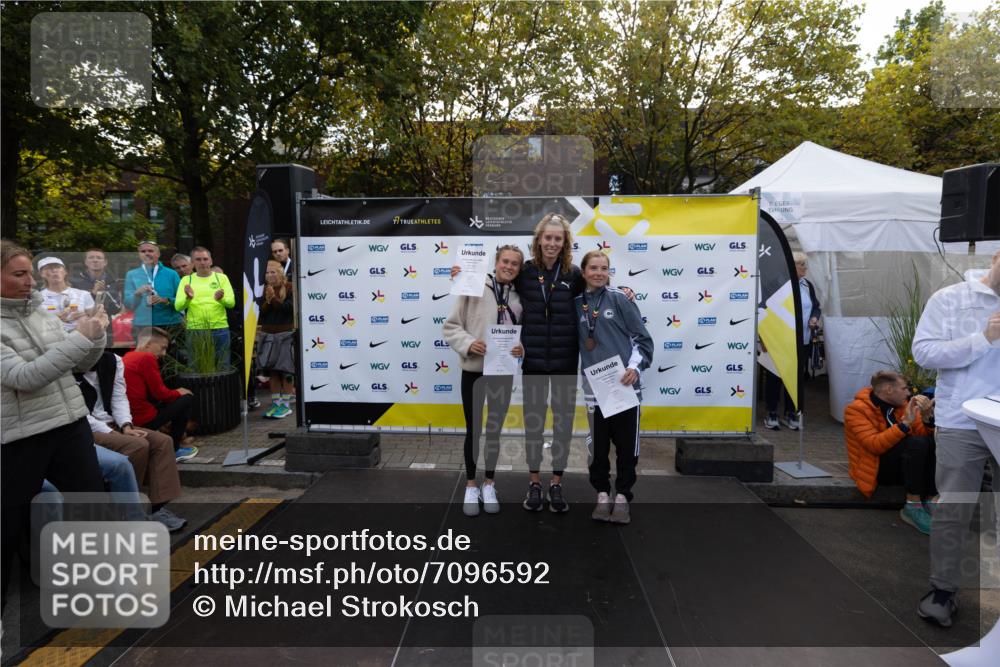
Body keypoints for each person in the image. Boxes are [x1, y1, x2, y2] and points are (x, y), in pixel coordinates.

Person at [1, 239, 108, 605]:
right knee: (8, 526)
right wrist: (80, 338)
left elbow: (78, 363)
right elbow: (26, 377)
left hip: (69, 424)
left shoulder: (38, 310)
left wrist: (95, 332)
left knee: (92, 507)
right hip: (21, 437)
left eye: (29, 272)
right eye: (19, 274)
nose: (30, 281)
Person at [913, 249, 1000, 628]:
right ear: (997, 257)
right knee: (955, 508)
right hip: (963, 420)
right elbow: (924, 353)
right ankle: (943, 591)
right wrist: (985, 337)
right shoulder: (951, 298)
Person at [443, 245, 525, 516]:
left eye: (515, 263)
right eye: (505, 261)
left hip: (501, 371)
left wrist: (521, 347)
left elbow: (524, 330)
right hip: (474, 371)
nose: (509, 266)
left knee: (494, 430)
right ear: (496, 262)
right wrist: (468, 344)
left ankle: (489, 483)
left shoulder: (520, 294)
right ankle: (470, 484)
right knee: (474, 429)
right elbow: (451, 326)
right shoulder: (473, 285)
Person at [575, 251, 653, 525]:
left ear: (609, 272)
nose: (598, 272)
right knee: (597, 447)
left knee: (626, 446)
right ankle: (601, 494)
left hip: (624, 387)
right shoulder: (576, 303)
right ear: (583, 272)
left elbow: (642, 339)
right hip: (595, 389)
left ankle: (622, 496)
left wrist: (634, 368)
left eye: (604, 268)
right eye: (593, 268)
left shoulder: (620, 299)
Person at [77, 350, 186, 531]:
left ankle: (157, 507)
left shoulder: (113, 361)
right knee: (137, 445)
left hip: (113, 422)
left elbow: (119, 397)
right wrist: (115, 433)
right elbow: (80, 415)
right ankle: (128, 509)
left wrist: (126, 425)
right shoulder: (67, 367)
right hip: (85, 428)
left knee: (163, 442)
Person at [844, 370, 937, 534]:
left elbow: (923, 437)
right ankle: (913, 506)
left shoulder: (901, 405)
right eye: (904, 389)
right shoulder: (856, 410)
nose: (908, 393)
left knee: (930, 442)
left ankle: (930, 501)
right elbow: (874, 445)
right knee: (915, 444)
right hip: (875, 469)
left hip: (902, 464)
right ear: (888, 389)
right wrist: (904, 425)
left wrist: (926, 418)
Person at [763, 250, 821, 430]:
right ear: (790, 265)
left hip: (801, 340)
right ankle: (771, 412)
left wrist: (814, 318)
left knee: (795, 378)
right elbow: (766, 311)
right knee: (775, 376)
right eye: (801, 264)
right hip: (779, 340)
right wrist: (764, 338)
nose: (805, 267)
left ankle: (790, 412)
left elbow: (816, 307)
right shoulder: (777, 284)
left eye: (805, 264)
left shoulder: (807, 285)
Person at [124, 327, 198, 462]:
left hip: (130, 418)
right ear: (148, 344)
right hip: (143, 419)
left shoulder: (128, 356)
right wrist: (179, 392)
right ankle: (174, 450)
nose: (164, 353)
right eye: (162, 348)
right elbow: (160, 393)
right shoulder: (146, 357)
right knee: (186, 398)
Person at [174, 246, 236, 368]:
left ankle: (220, 388)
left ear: (211, 261)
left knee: (222, 366)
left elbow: (231, 303)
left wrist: (221, 299)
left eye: (205, 259)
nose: (202, 262)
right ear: (192, 263)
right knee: (197, 366)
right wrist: (188, 298)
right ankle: (199, 388)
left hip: (220, 328)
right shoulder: (186, 280)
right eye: (198, 259)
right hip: (195, 330)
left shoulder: (222, 278)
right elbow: (178, 306)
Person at [123, 240, 183, 342]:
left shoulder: (171, 274)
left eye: (150, 251)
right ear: (139, 255)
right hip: (142, 324)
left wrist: (166, 300)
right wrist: (137, 294)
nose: (147, 253)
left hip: (169, 323)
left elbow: (182, 301)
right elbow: (128, 304)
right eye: (143, 251)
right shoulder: (131, 274)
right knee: (145, 357)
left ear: (158, 254)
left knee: (170, 356)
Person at [258, 259, 296, 419]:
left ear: (280, 272)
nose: (270, 275)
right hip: (267, 335)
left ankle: (286, 405)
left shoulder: (289, 287)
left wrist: (273, 299)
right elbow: (260, 313)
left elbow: (288, 309)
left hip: (285, 334)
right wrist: (267, 300)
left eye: (273, 271)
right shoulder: (262, 289)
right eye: (267, 272)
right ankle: (276, 403)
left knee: (286, 370)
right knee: (272, 371)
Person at [37, 256, 95, 332]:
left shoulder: (83, 294)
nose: (54, 270)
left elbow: (95, 319)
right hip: (51, 340)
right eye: (48, 268)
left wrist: (85, 316)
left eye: (57, 267)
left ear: (65, 271)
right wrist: (56, 319)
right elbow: (35, 325)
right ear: (42, 274)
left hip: (82, 339)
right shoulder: (37, 299)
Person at [71, 247, 123, 317]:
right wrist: (93, 294)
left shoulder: (113, 281)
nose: (95, 260)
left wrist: (103, 294)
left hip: (105, 325)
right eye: (91, 257)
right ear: (86, 262)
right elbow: (74, 307)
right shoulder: (75, 281)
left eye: (99, 258)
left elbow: (116, 309)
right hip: (82, 324)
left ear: (105, 262)